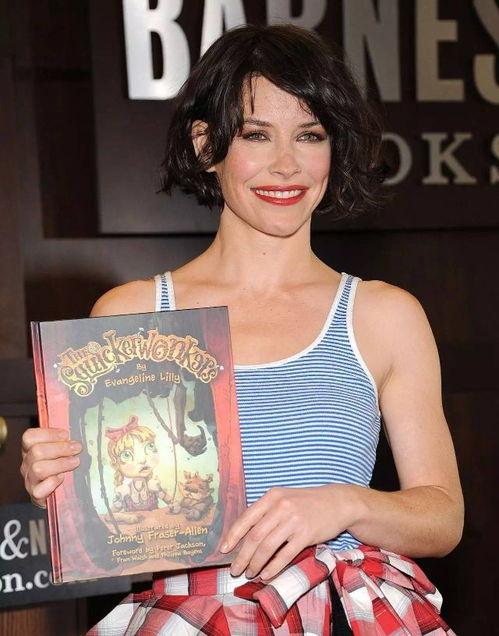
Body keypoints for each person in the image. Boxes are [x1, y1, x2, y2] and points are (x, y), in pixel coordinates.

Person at [20, 24, 464, 635]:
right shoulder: (133, 314)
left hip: (344, 612)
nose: (287, 164)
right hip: (191, 615)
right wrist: (58, 486)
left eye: (310, 135)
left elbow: (442, 517)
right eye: (257, 135)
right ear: (207, 145)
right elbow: (111, 530)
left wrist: (343, 503)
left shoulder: (383, 315)